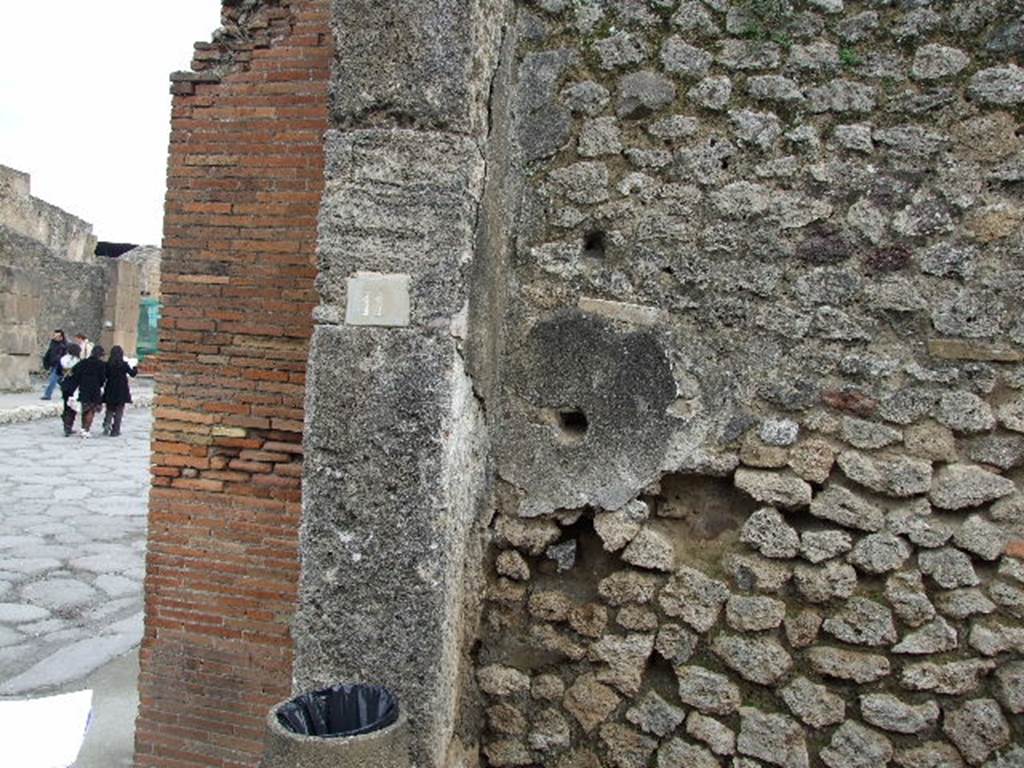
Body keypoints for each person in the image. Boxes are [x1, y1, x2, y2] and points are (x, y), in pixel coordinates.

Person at [68, 345, 106, 439]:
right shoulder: (101, 364)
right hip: (95, 389)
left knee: (84, 408)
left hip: (84, 387)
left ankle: (82, 428)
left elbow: (74, 372)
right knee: (91, 409)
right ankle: (86, 429)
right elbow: (103, 378)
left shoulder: (83, 362)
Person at [101, 346, 138, 437]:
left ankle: (107, 424)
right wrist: (135, 368)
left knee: (109, 409)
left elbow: (104, 376)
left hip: (110, 388)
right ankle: (116, 430)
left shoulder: (107, 364)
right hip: (122, 389)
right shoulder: (124, 364)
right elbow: (132, 374)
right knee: (119, 411)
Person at [59, 342, 82, 436]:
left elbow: (58, 371)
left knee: (66, 404)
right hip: (74, 386)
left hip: (64, 385)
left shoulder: (62, 359)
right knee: (72, 406)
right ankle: (69, 425)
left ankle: (65, 422)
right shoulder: (78, 361)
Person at [40, 330, 67, 400]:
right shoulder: (53, 343)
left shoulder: (65, 345)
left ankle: (47, 395)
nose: (55, 337)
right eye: (55, 335)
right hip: (53, 365)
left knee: (52, 380)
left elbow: (66, 356)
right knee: (60, 381)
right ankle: (67, 393)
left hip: (59, 366)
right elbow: (49, 353)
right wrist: (46, 362)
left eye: (57, 336)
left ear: (61, 337)